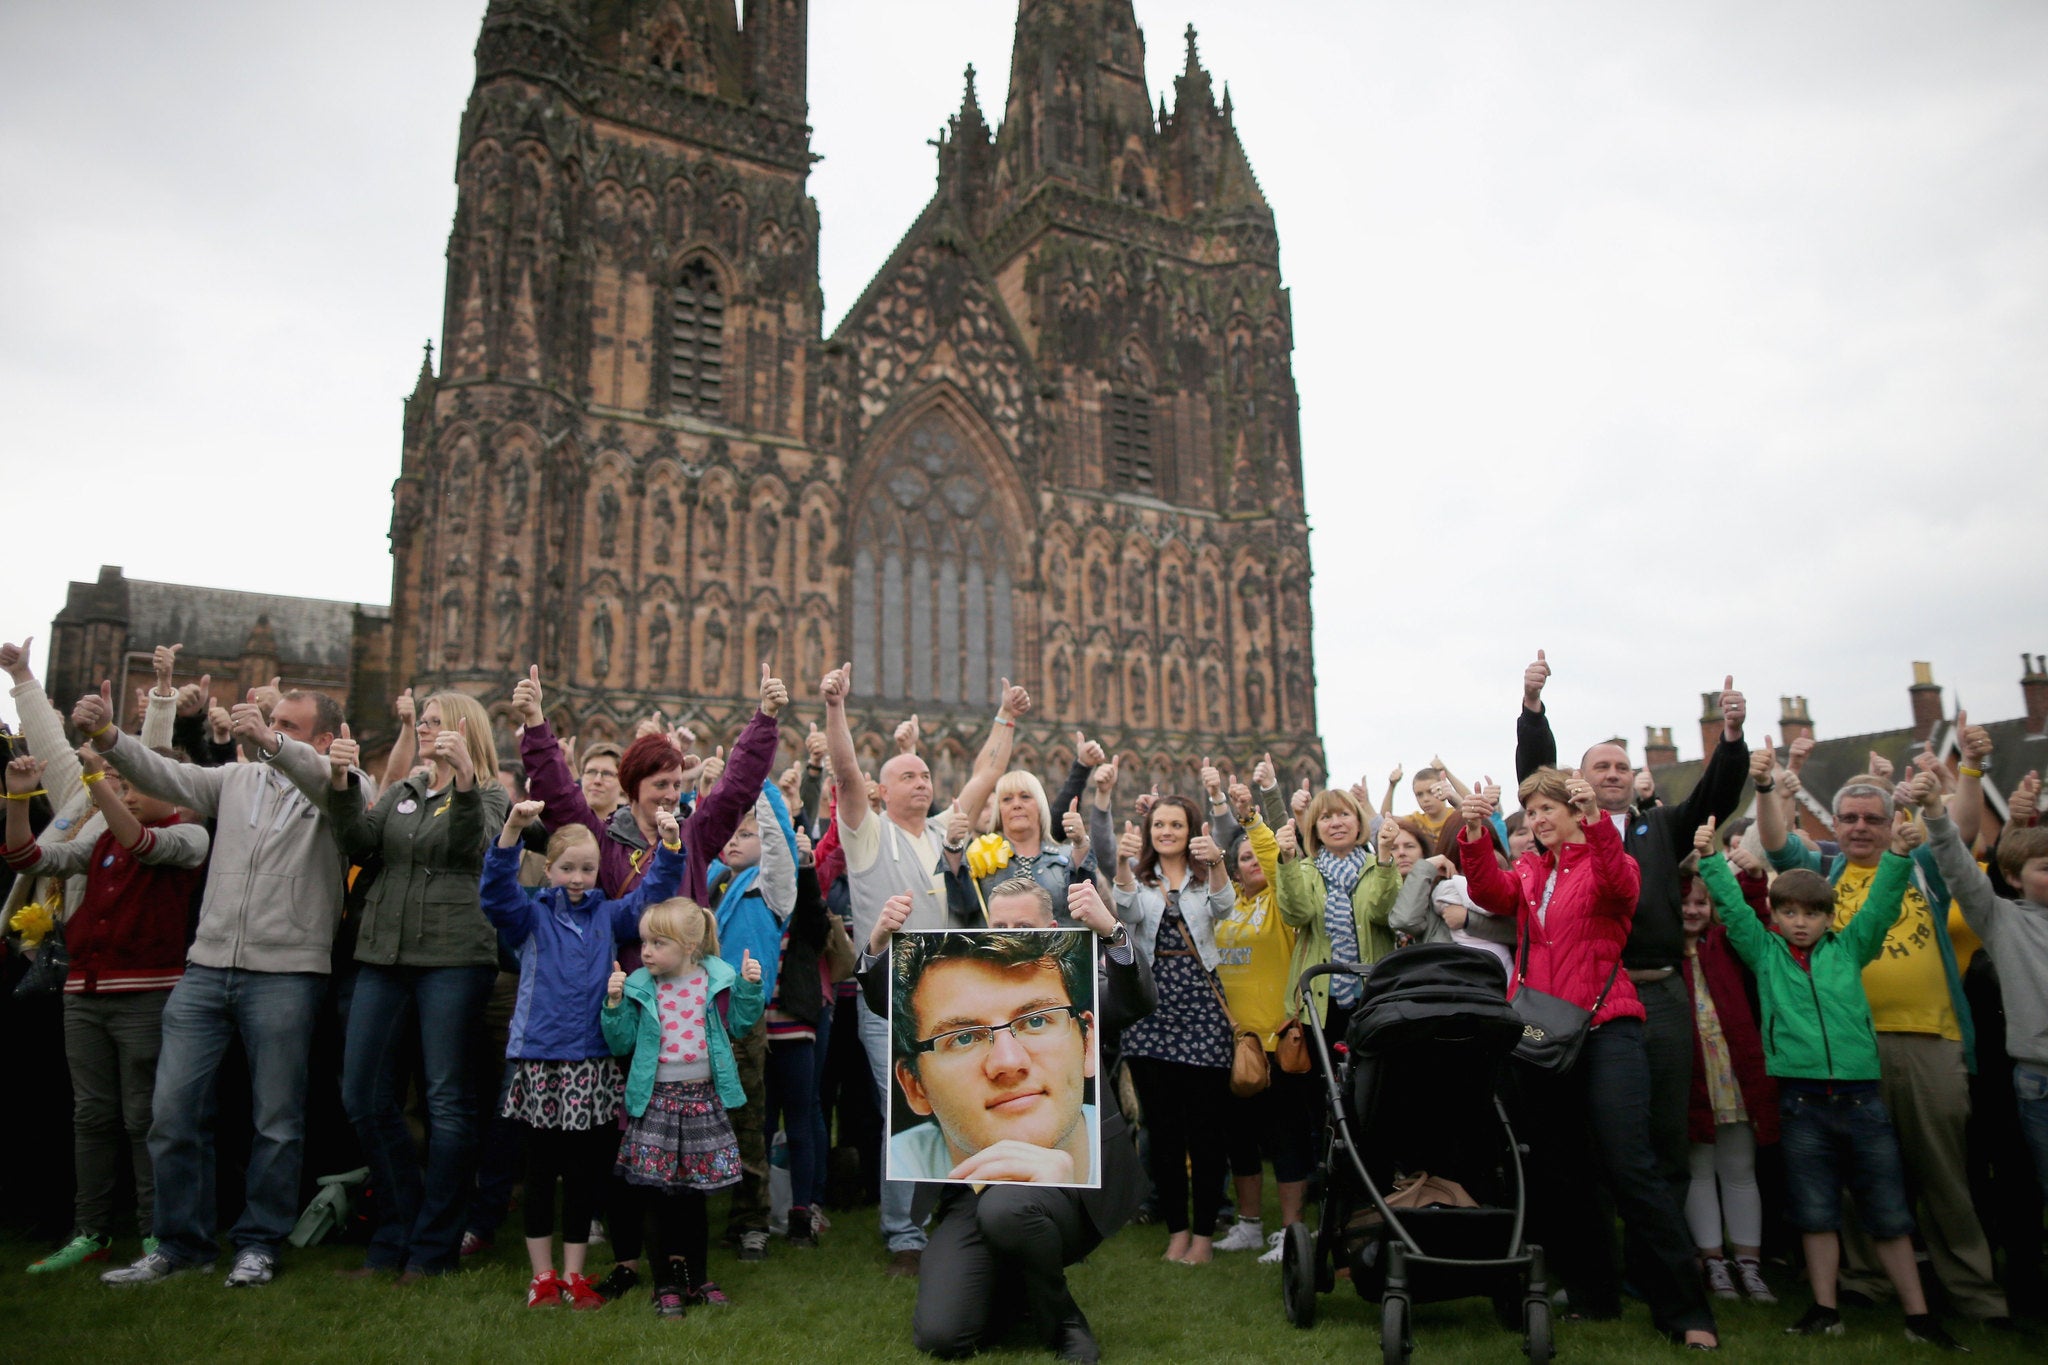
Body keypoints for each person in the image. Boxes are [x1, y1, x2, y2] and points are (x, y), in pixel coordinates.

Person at [81, 681, 348, 1290]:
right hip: (206, 970)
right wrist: (107, 737)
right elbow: (164, 775)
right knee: (172, 1114)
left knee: (275, 1122)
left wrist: (268, 740)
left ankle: (258, 1244)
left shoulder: (337, 787)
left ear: (324, 739)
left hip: (286, 974)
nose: (268, 727)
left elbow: (313, 773)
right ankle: (181, 1245)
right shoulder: (233, 781)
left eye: (289, 724)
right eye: (270, 718)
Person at [1457, 770, 1718, 1347]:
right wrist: (1475, 832)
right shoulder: (1530, 870)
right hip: (1542, 1034)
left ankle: (1686, 1313)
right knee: (1563, 1173)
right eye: (1531, 812)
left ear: (1576, 813)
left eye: (1549, 808)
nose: (1538, 820)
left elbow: (1623, 887)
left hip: (1606, 1029)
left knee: (1630, 1166)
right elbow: (1488, 894)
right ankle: (1593, 1295)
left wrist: (1598, 823)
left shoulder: (1605, 860)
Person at [1695, 787, 1963, 1348]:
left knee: (1888, 1210)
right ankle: (1824, 1306)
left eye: (1811, 913)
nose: (1799, 923)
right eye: (1788, 912)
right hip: (1801, 1100)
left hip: (1862, 1098)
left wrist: (1896, 857)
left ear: (1829, 916)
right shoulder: (1764, 954)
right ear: (1776, 914)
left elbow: (1886, 901)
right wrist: (1712, 858)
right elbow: (1737, 913)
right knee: (1816, 1210)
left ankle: (1917, 1315)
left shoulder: (1851, 948)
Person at [1515, 653, 1754, 1259]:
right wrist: (1533, 708)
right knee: (1593, 1141)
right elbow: (1534, 773)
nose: (1615, 774)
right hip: (1583, 1003)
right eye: (1602, 766)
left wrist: (1731, 738)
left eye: (1623, 766)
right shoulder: (1563, 839)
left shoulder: (1660, 828)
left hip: (1659, 992)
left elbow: (1717, 796)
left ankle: (1659, 1263)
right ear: (1580, 781)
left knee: (1665, 1134)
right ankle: (1600, 1258)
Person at [863, 877, 1154, 1363]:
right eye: (963, 1038)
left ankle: (1061, 1321)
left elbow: (1137, 998)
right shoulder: (954, 985)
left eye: (1037, 1021)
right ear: (915, 1086)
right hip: (971, 1200)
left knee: (1009, 1210)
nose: (1007, 1062)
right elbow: (888, 1004)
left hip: (1068, 1198)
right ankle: (1014, 1287)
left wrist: (1110, 931)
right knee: (943, 1335)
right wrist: (876, 946)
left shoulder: (1073, 980)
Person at [1758, 763, 2007, 1324]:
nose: (1860, 827)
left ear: (1893, 821)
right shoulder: (1820, 872)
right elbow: (1775, 842)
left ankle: (1973, 1291)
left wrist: (1967, 770)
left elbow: (1962, 832)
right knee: (1850, 1178)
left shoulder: (1919, 866)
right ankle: (1865, 1282)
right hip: (1845, 1056)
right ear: (1836, 826)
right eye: (1848, 818)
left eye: (1873, 818)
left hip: (1928, 1039)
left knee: (1944, 1173)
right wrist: (1766, 787)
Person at [291, 692, 507, 1281]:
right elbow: (360, 843)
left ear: (466, 729)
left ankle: (433, 1248)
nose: (426, 731)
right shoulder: (406, 790)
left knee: (447, 1102)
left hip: (454, 959)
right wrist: (339, 785)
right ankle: (396, 1229)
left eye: (436, 723)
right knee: (363, 1095)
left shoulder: (488, 793)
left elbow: (470, 846)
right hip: (382, 956)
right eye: (426, 723)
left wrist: (463, 780)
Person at [818, 660, 1024, 1275]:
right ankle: (903, 1231)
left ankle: (952, 1217)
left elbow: (987, 771)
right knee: (905, 1109)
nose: (921, 781)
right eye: (907, 775)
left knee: (960, 1103)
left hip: (954, 997)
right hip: (892, 998)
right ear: (884, 791)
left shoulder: (946, 833)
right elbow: (847, 773)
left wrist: (1006, 715)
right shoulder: (867, 834)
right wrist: (835, 708)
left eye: (926, 773)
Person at [4, 745, 208, 1274]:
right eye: (123, 783)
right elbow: (27, 859)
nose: (126, 792)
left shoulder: (189, 837)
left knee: (145, 1118)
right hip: (84, 995)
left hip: (145, 995)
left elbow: (139, 843)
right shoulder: (101, 841)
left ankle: (155, 1234)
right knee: (91, 1117)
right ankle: (90, 1231)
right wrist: (19, 802)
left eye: (135, 784)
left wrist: (96, 781)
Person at [478, 798, 683, 1310]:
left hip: (591, 1061)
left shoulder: (607, 916)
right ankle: (541, 1276)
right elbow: (496, 897)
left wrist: (672, 848)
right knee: (542, 1172)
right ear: (548, 870)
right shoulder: (530, 915)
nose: (577, 877)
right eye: (567, 868)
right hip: (541, 1060)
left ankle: (573, 1276)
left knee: (583, 1175)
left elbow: (651, 895)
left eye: (587, 869)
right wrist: (509, 835)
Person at [602, 898, 764, 1319]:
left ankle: (698, 1278)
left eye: (658, 943)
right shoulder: (641, 985)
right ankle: (665, 1285)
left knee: (694, 1199)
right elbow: (621, 1043)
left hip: (703, 1102)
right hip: (656, 1103)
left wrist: (748, 988)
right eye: (644, 943)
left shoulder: (716, 981)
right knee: (656, 1199)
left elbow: (743, 1025)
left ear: (690, 946)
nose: (647, 952)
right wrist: (615, 1006)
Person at [1912, 775, 2048, 1206]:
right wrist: (1936, 811)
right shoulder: (2002, 920)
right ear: (2011, 876)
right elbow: (1957, 866)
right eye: (2045, 868)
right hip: (2039, 1077)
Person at [1111, 795, 1234, 1264]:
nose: (1166, 831)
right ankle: (1177, 1231)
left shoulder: (1205, 879)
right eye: (1158, 824)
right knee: (1162, 1131)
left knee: (1205, 1130)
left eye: (1176, 825)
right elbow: (1127, 912)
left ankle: (1203, 1236)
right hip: (1151, 1007)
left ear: (1191, 830)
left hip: (1202, 1006)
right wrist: (1124, 863)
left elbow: (1224, 907)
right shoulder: (1141, 879)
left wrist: (1217, 860)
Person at [1675, 819, 1778, 1305]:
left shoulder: (1725, 947)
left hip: (1733, 1072)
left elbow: (1750, 917)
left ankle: (1750, 1264)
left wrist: (1753, 882)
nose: (1694, 910)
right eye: (1685, 903)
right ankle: (1712, 1261)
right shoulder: (1662, 953)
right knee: (1698, 1168)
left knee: (1740, 1168)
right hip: (1691, 1076)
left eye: (1701, 902)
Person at [1208, 778, 1311, 1264]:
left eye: (1257, 856)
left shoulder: (1282, 905)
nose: (1252, 862)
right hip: (1236, 1042)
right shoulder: (1227, 909)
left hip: (1279, 1037)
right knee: (1239, 1137)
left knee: (1285, 1136)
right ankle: (1250, 1224)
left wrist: (1252, 821)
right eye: (1243, 857)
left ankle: (1291, 1231)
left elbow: (1277, 863)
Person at [1274, 786, 1397, 1038]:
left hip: (1374, 997)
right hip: (1318, 997)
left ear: (1359, 821)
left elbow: (1383, 915)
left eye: (1344, 814)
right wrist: (1287, 861)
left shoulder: (1380, 867)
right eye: (1326, 817)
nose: (1336, 823)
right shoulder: (1305, 870)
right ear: (1315, 828)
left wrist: (1384, 856)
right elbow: (1297, 915)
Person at [579, 741, 625, 822]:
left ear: (623, 784)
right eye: (591, 772)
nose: (597, 780)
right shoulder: (562, 825)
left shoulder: (633, 831)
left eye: (607, 774)